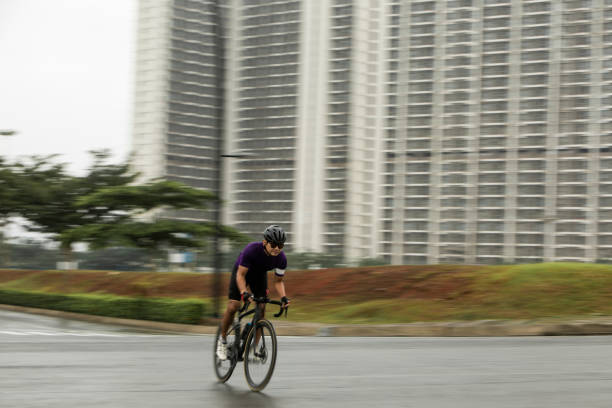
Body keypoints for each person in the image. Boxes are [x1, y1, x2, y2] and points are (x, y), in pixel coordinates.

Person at [216, 224, 290, 360]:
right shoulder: (251, 250)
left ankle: (253, 348)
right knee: (233, 306)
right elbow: (240, 275)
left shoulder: (281, 259)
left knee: (261, 309)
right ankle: (222, 340)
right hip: (242, 272)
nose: (277, 249)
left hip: (259, 275)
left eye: (281, 246)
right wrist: (244, 292)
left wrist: (284, 298)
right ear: (265, 242)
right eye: (273, 245)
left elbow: (278, 281)